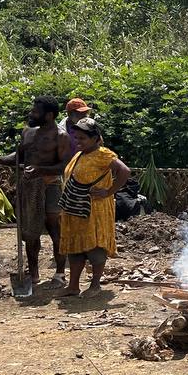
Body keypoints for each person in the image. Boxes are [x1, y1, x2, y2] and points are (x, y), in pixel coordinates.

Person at [0, 96, 70, 285]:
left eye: (35, 112)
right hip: (29, 186)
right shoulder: (28, 132)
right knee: (30, 231)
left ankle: (59, 273)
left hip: (50, 185)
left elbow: (65, 165)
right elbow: (19, 156)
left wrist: (41, 170)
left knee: (54, 228)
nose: (31, 114)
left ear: (49, 115)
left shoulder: (60, 136)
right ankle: (34, 273)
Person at [58, 118, 130, 296]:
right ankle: (73, 286)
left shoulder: (103, 154)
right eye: (77, 137)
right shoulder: (79, 154)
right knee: (75, 248)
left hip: (94, 211)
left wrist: (108, 191)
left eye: (82, 138)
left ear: (95, 138)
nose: (78, 141)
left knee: (95, 248)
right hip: (74, 210)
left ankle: (95, 285)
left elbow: (124, 171)